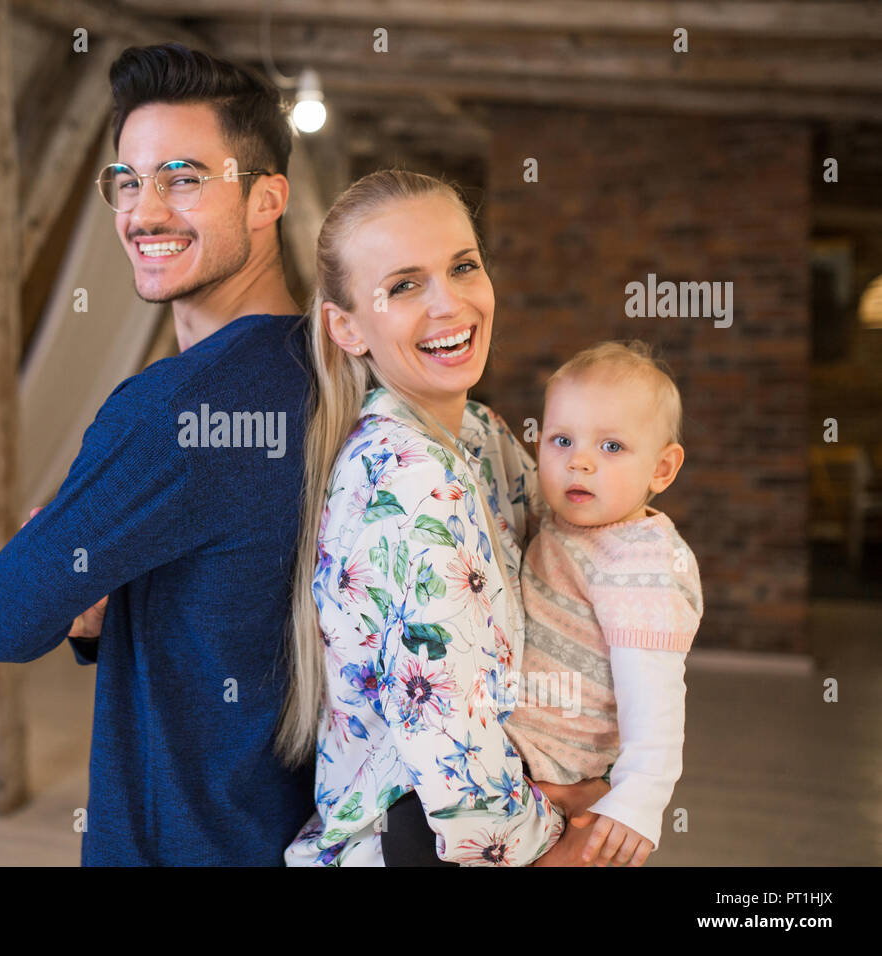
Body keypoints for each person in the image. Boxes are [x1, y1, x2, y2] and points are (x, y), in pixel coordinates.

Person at [0, 43, 314, 865]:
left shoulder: (169, 411)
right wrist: (105, 603)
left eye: (185, 179)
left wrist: (59, 574)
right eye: (128, 180)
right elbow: (233, 599)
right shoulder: (336, 368)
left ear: (268, 199)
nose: (144, 212)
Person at [277, 168, 608, 866]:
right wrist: (558, 844)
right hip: (417, 849)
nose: (450, 304)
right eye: (403, 286)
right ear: (346, 327)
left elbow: (584, 561)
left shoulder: (481, 436)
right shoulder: (414, 476)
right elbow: (449, 737)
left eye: (463, 266)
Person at [502, 339, 703, 866]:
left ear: (661, 470)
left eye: (611, 447)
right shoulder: (565, 521)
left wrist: (638, 796)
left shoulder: (640, 563)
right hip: (527, 757)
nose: (580, 463)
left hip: (568, 774)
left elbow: (655, 697)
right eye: (561, 440)